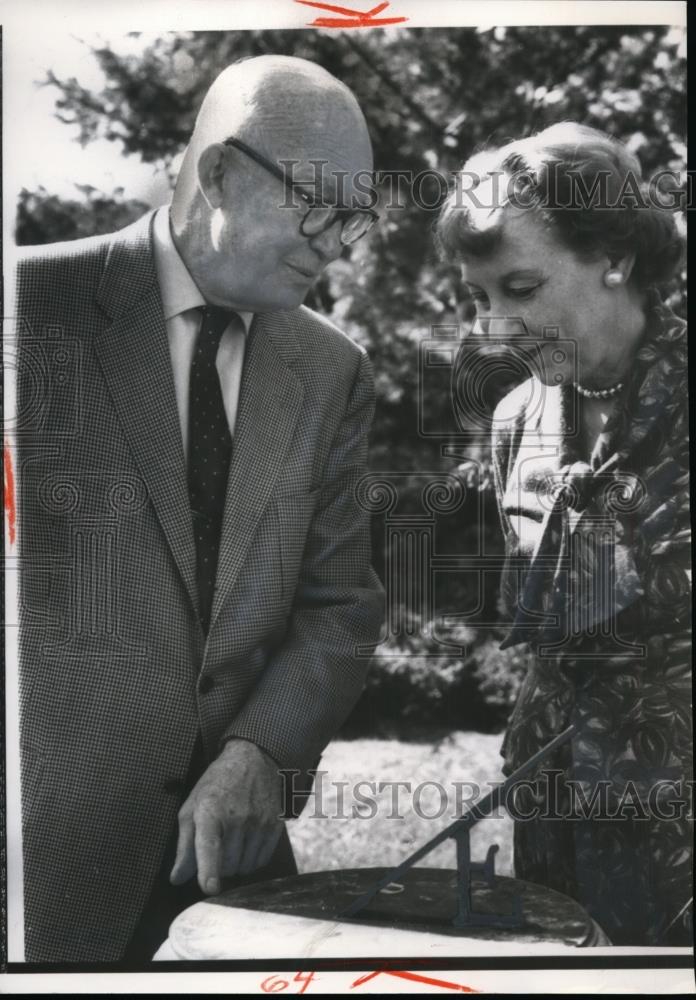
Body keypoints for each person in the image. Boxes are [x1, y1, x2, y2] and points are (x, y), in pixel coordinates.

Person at [13, 55, 384, 963]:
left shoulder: (335, 371)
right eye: (321, 206)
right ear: (220, 173)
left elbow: (340, 609)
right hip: (38, 879)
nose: (340, 245)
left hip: (236, 885)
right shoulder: (26, 307)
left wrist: (262, 750)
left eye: (356, 218)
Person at [436, 122, 691, 945]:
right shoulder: (516, 417)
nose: (493, 329)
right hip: (553, 821)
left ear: (613, 259)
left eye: (519, 288)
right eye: (479, 298)